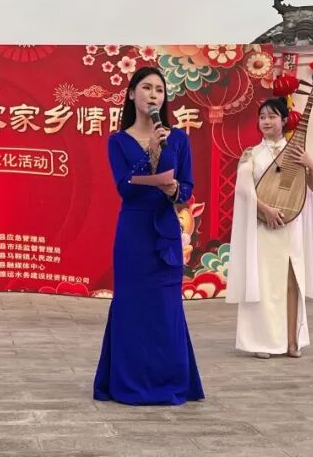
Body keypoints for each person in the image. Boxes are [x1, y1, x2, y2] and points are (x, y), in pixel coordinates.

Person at [94, 66, 204, 406]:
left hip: (165, 231)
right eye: (146, 87)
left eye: (159, 89)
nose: (153, 94)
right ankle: (128, 383)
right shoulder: (118, 141)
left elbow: (187, 187)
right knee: (132, 306)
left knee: (166, 309)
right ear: (131, 94)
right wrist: (151, 154)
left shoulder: (178, 138)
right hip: (134, 232)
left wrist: (175, 190)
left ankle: (170, 381)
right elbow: (124, 188)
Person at [226, 97, 313, 359]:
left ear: (283, 120)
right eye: (262, 117)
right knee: (265, 285)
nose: (266, 121)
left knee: (292, 283)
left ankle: (292, 341)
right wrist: (266, 210)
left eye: (272, 116)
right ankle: (263, 342)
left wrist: (311, 165)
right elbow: (244, 192)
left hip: (289, 228)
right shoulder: (252, 154)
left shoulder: (296, 152)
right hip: (264, 228)